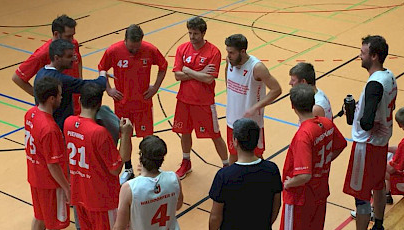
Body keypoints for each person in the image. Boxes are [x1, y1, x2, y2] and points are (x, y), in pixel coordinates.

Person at [331, 35, 397, 230]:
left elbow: (367, 122)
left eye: (363, 52)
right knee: (378, 186)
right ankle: (377, 229)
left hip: (366, 147)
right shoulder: (389, 76)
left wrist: (356, 116)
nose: (360, 55)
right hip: (381, 144)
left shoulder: (374, 84)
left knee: (361, 197)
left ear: (374, 56)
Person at [63, 83, 133, 230]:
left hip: (79, 194)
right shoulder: (99, 133)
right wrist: (126, 134)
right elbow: (117, 168)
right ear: (99, 103)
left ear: (80, 100)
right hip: (101, 199)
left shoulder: (68, 122)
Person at [279, 84, 347, 230]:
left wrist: (288, 183)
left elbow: (304, 175)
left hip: (300, 198)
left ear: (292, 105)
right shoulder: (326, 123)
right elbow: (341, 145)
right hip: (320, 192)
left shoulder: (303, 135)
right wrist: (324, 163)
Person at [209, 118, 282, 230]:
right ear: (257, 142)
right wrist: (266, 225)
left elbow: (215, 215)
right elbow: (277, 204)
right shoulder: (272, 170)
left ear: (235, 141)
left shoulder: (224, 175)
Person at [98, 24, 168, 184]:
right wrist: (108, 89)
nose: (134, 51)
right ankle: (128, 169)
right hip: (123, 105)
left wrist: (156, 86)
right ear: (125, 41)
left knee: (148, 139)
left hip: (143, 104)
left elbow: (163, 67)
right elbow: (102, 69)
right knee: (125, 137)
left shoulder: (150, 50)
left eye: (137, 48)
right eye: (131, 48)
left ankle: (148, 167)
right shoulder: (113, 51)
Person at [109, 136, 183, 230]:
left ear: (141, 157)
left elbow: (119, 228)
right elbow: (177, 205)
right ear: (162, 158)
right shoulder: (174, 178)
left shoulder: (129, 188)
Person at [172, 16, 229, 179]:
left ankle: (226, 165)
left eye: (195, 33)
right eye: (189, 33)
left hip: (204, 102)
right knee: (184, 132)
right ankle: (186, 161)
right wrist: (199, 72)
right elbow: (177, 75)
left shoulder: (213, 52)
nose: (191, 37)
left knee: (215, 135)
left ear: (203, 33)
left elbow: (208, 78)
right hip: (183, 100)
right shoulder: (182, 48)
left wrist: (188, 71)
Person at [25, 77, 70, 230]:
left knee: (39, 216)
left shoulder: (30, 113)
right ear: (52, 99)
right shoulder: (50, 128)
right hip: (50, 184)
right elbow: (54, 166)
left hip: (34, 176)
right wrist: (67, 188)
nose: (62, 97)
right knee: (53, 226)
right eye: (59, 94)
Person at [225, 34, 282, 164]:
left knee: (255, 157)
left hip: (252, 124)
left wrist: (257, 106)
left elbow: (276, 89)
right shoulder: (229, 61)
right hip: (232, 120)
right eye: (227, 52)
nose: (228, 55)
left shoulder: (257, 68)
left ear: (243, 51)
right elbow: (227, 73)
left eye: (232, 52)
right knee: (233, 154)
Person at [12, 14, 83, 115]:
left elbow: (78, 61)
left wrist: (80, 83)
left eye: (73, 35)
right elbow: (17, 78)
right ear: (56, 34)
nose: (72, 39)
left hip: (76, 107)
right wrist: (42, 98)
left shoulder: (73, 44)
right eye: (68, 36)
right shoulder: (43, 54)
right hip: (59, 111)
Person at [34, 39, 107, 130]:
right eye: (69, 56)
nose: (73, 59)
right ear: (57, 58)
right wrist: (103, 74)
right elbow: (95, 85)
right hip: (58, 129)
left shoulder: (41, 72)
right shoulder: (62, 80)